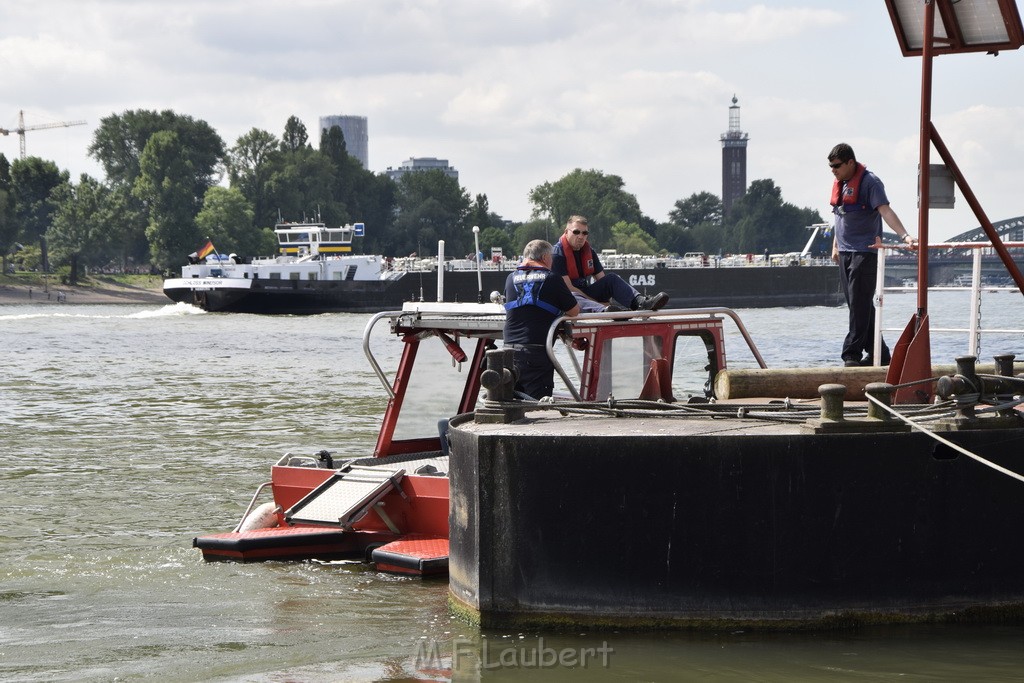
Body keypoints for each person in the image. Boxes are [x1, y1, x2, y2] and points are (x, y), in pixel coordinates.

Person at [828, 143, 917, 367]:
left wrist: (904, 236)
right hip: (845, 252)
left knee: (859, 304)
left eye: (837, 166)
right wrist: (835, 245)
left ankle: (851, 354)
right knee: (858, 305)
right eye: (830, 167)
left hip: (865, 252)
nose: (833, 170)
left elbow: (885, 210)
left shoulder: (870, 182)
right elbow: (840, 217)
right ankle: (880, 352)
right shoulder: (841, 183)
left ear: (850, 162)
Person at [503, 239, 581, 399]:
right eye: (551, 258)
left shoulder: (510, 278)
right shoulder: (552, 278)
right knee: (537, 407)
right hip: (536, 353)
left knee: (512, 403)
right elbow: (574, 311)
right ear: (545, 257)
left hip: (508, 351)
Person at [551, 215, 668, 313]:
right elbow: (568, 288)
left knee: (612, 278)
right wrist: (595, 302)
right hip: (568, 298)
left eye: (584, 233)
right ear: (566, 232)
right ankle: (605, 310)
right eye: (576, 232)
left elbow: (602, 280)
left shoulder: (589, 251)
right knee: (573, 295)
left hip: (586, 294)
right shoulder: (557, 254)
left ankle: (641, 303)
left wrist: (606, 298)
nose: (581, 236)